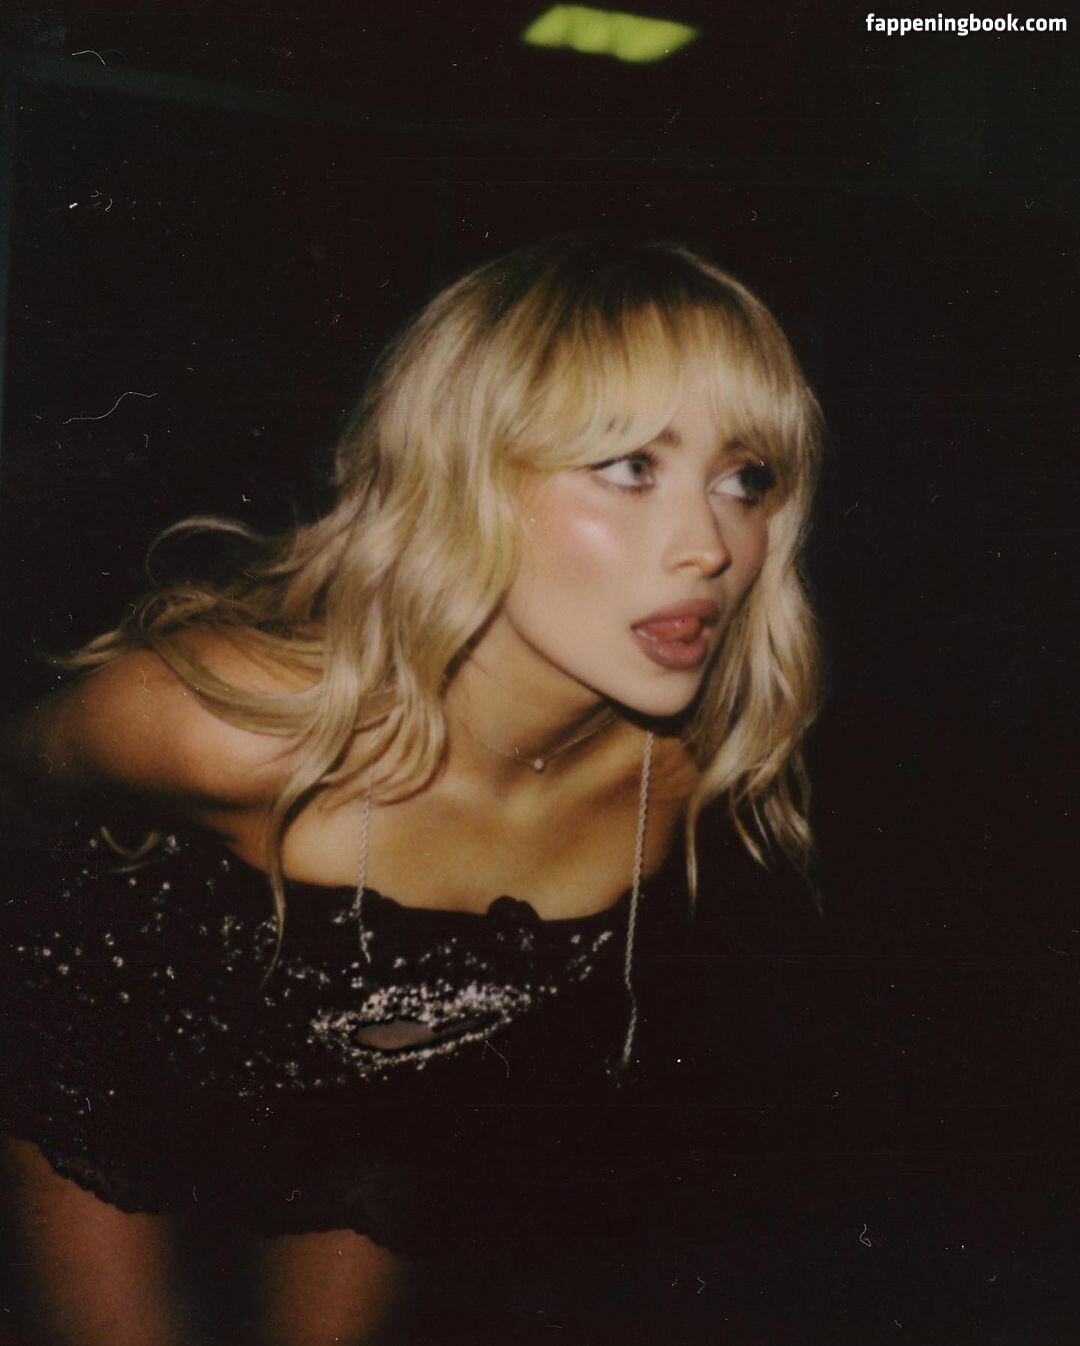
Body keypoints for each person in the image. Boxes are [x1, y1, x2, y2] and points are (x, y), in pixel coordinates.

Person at [0, 234, 822, 1345]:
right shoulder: (228, 728)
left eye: (745, 479)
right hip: (108, 1055)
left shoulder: (686, 772)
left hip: (368, 1106)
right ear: (459, 470)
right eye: (630, 465)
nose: (710, 547)